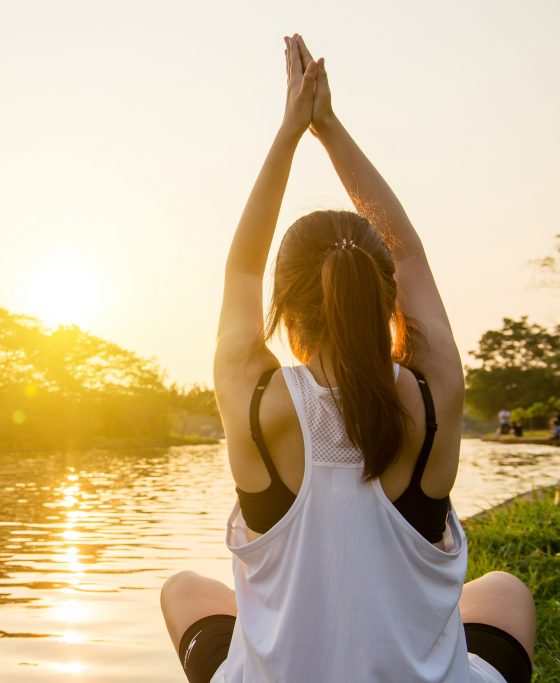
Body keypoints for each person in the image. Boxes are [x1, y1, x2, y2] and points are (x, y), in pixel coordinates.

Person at [159, 35, 535, 683]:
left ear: (287, 311)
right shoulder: (432, 395)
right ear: (386, 298)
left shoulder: (256, 400)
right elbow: (410, 253)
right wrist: (330, 129)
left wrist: (291, 131)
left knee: (183, 589)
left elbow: (242, 267)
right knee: (505, 592)